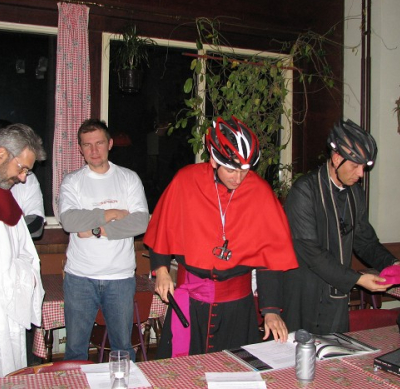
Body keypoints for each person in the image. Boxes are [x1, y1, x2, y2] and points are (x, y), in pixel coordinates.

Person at [144, 116, 298, 358]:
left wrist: (271, 310)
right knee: (183, 371)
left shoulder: (260, 193)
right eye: (231, 169)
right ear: (214, 160)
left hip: (237, 308)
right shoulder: (186, 181)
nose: (238, 178)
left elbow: (270, 258)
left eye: (244, 170)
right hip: (191, 303)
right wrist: (161, 270)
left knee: (237, 369)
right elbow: (162, 228)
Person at [282, 119, 398, 335]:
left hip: (337, 298)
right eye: (355, 166)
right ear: (336, 158)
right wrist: (357, 279)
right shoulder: (304, 191)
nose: (361, 174)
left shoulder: (355, 193)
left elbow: (366, 242)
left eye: (364, 167)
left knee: (338, 353)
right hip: (305, 296)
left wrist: (392, 264)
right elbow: (311, 253)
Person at [58, 119, 149, 361]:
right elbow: (70, 222)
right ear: (80, 148)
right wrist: (112, 213)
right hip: (79, 278)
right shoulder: (72, 181)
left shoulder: (128, 178)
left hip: (120, 278)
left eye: (99, 143)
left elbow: (140, 223)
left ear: (109, 144)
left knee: (123, 349)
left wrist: (96, 230)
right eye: (87, 145)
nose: (94, 150)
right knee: (75, 350)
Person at [0, 123, 46, 377]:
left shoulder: (6, 198)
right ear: (2, 153)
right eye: (22, 168)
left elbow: (26, 249)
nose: (23, 178)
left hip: (8, 308)